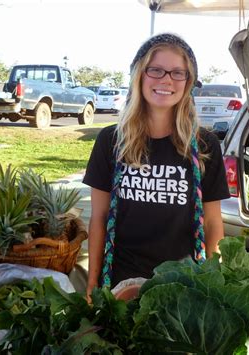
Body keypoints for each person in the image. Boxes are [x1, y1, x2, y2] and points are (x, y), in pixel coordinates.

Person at [83, 33, 230, 294]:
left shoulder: (204, 145)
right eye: (156, 70)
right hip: (119, 280)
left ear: (188, 81)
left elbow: (212, 222)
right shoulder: (111, 141)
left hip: (183, 283)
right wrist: (93, 283)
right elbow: (99, 218)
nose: (166, 80)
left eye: (177, 73)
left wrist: (212, 280)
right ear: (139, 75)